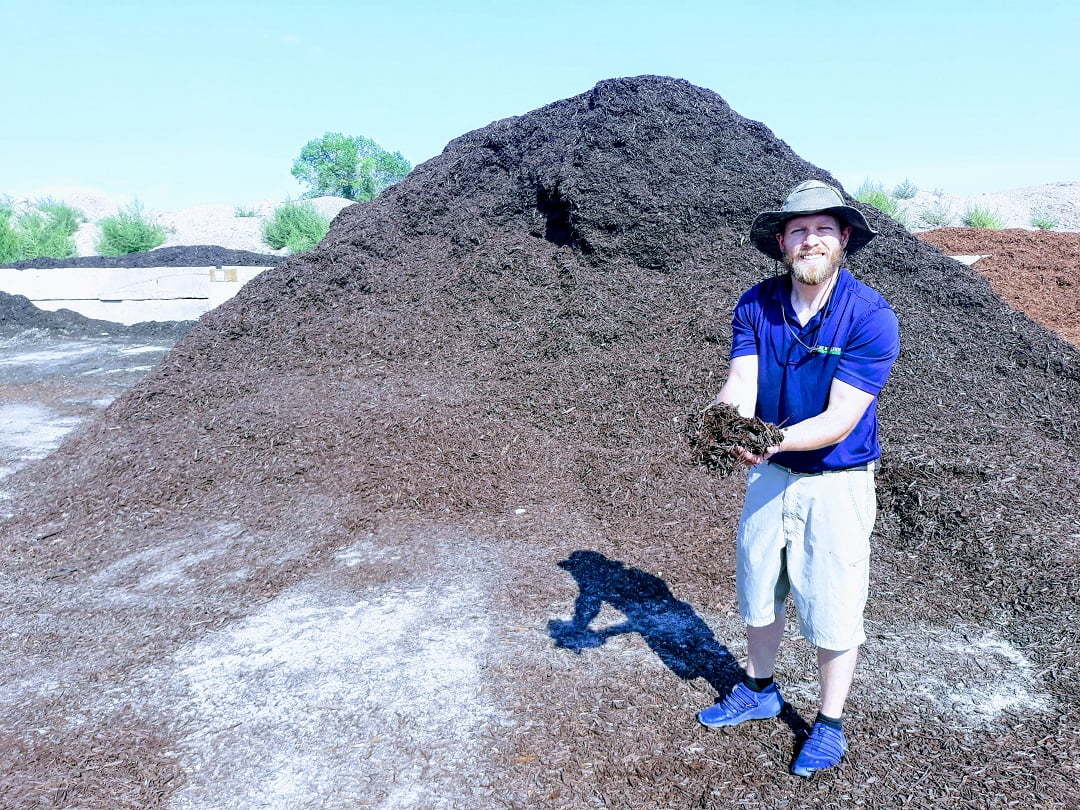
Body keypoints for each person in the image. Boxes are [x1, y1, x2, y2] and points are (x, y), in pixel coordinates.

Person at [698, 180, 900, 777]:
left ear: (843, 240)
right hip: (770, 474)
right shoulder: (756, 304)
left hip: (837, 481)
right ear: (782, 241)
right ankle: (761, 690)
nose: (811, 238)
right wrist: (724, 422)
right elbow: (741, 380)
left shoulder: (870, 317)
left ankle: (829, 724)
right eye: (799, 229)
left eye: (824, 228)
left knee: (833, 605)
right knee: (760, 589)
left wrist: (761, 440)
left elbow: (839, 420)